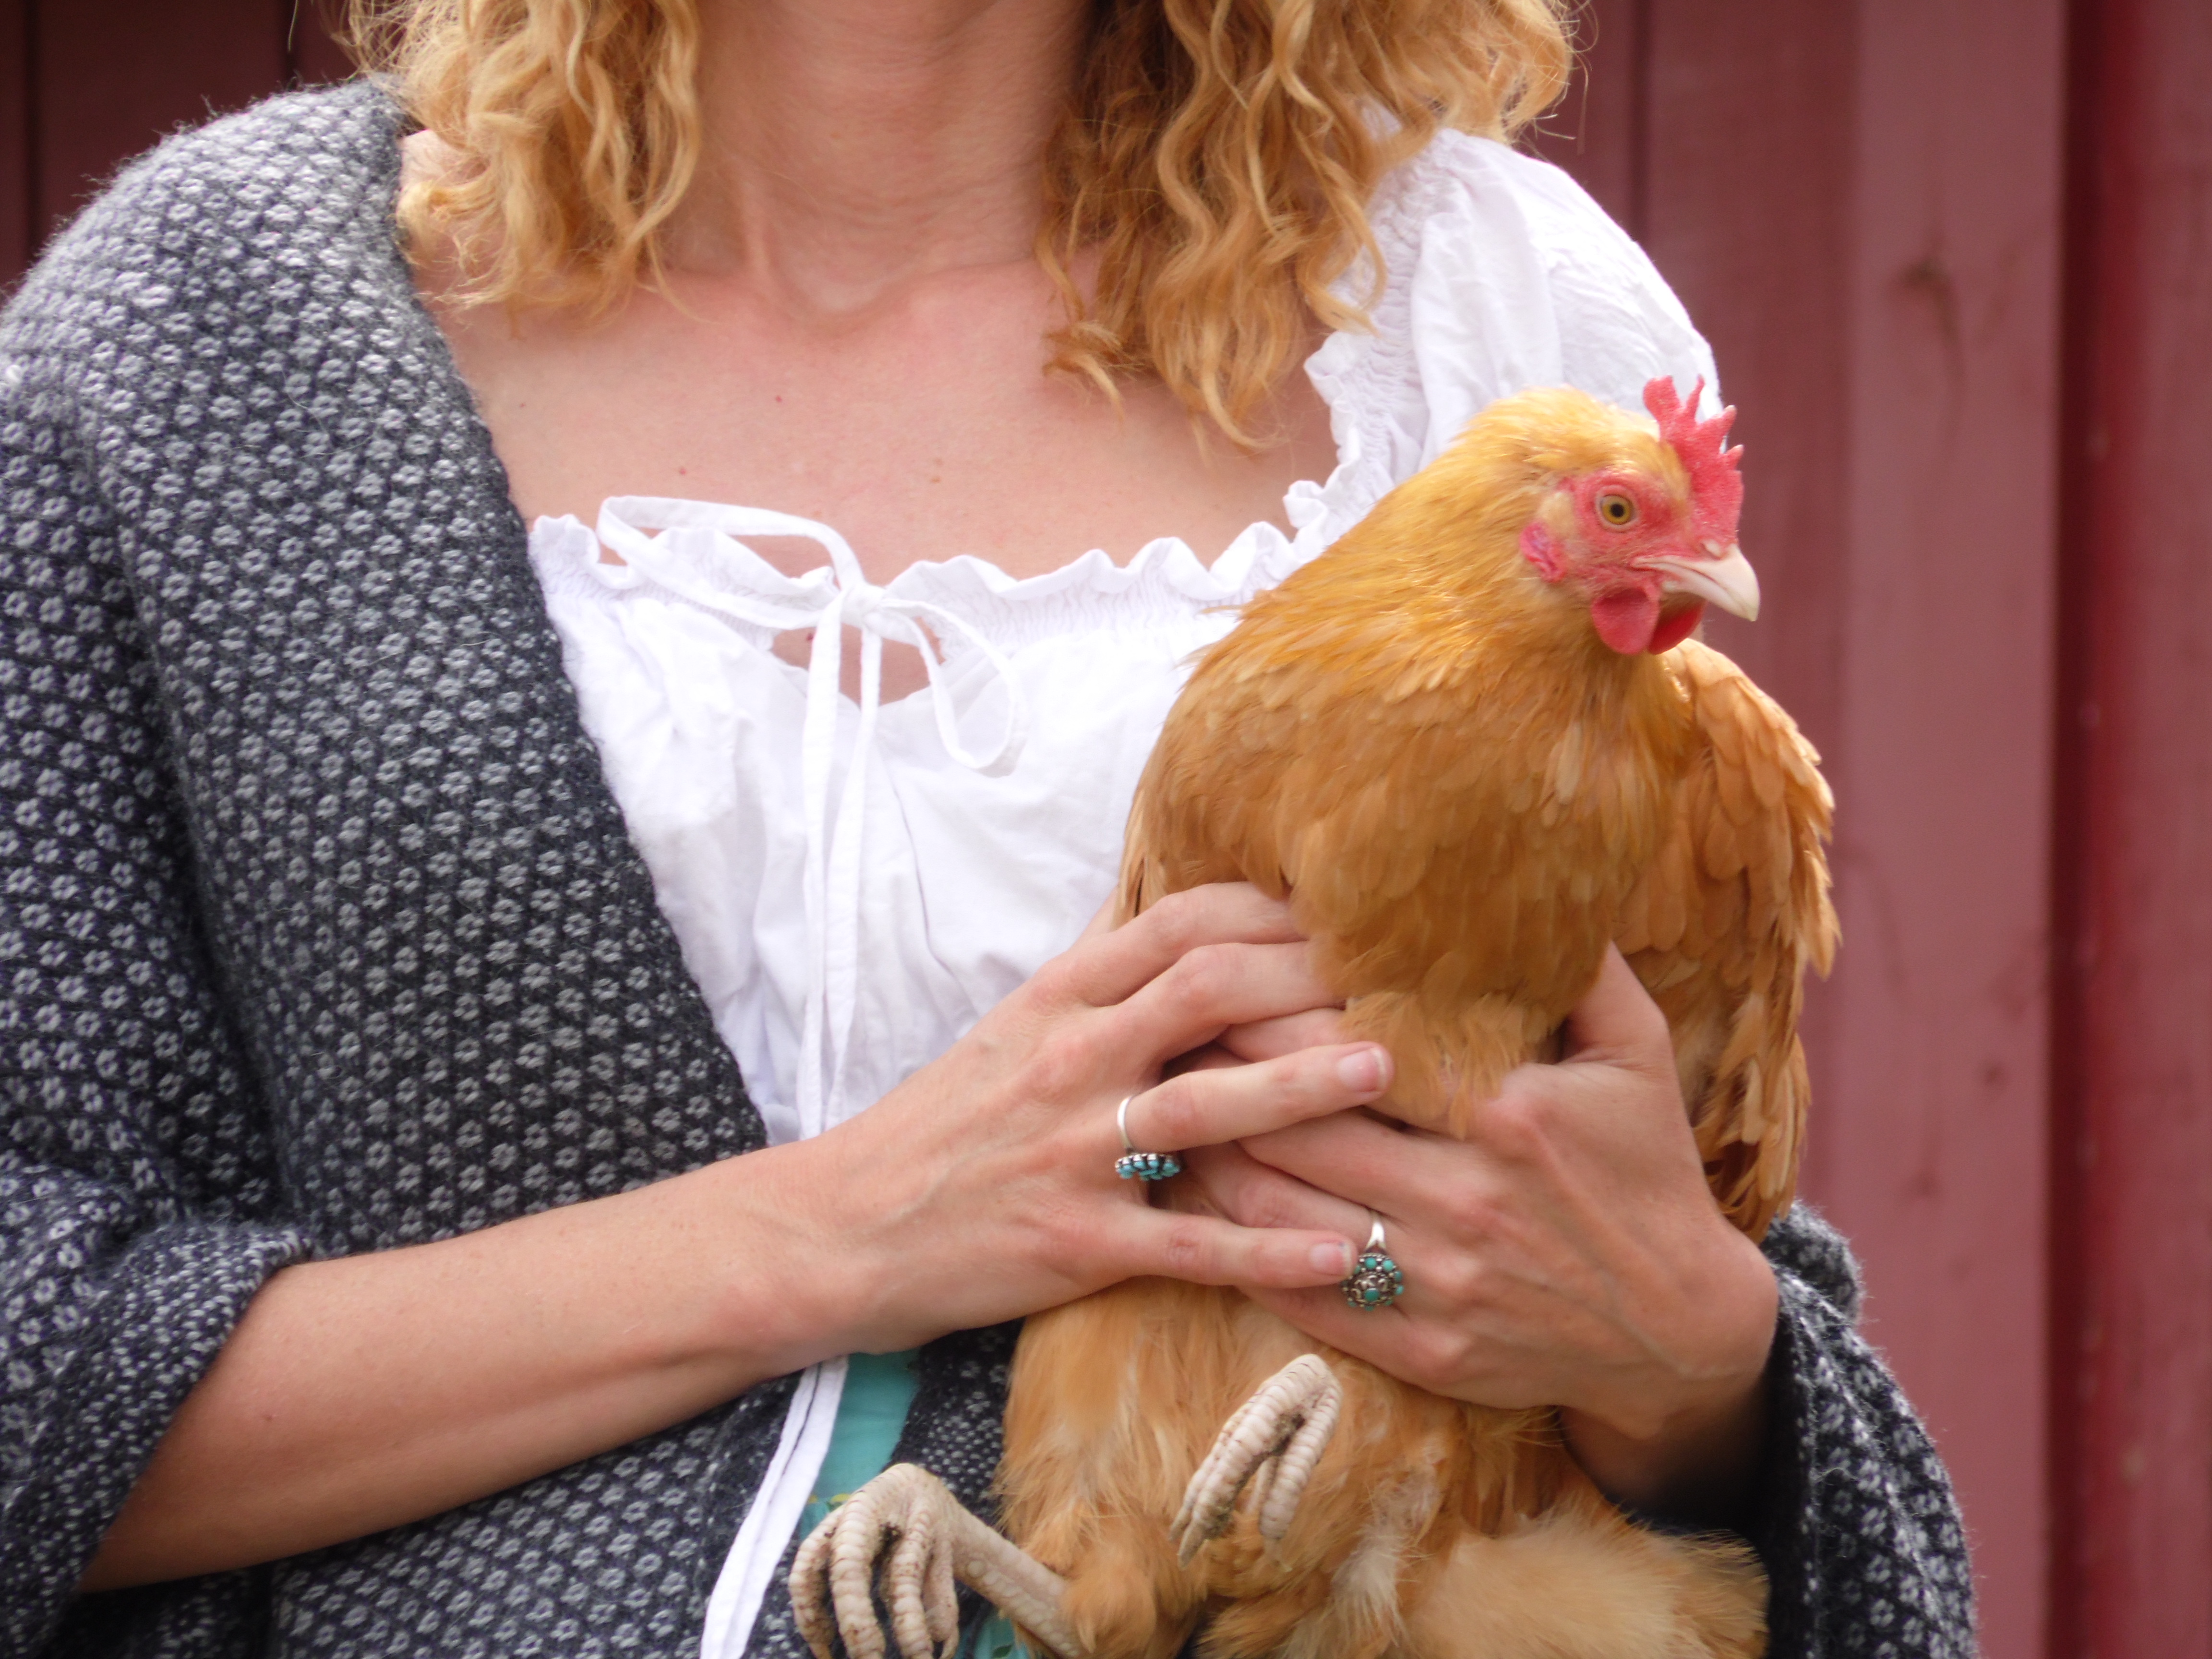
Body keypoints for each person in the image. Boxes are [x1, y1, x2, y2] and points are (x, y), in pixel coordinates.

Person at [0, 1, 1972, 1655]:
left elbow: (1675, 1253)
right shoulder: (212, 341)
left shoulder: (1480, 317)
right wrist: (842, 1234)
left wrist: (1683, 1361)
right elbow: (35, 1374)